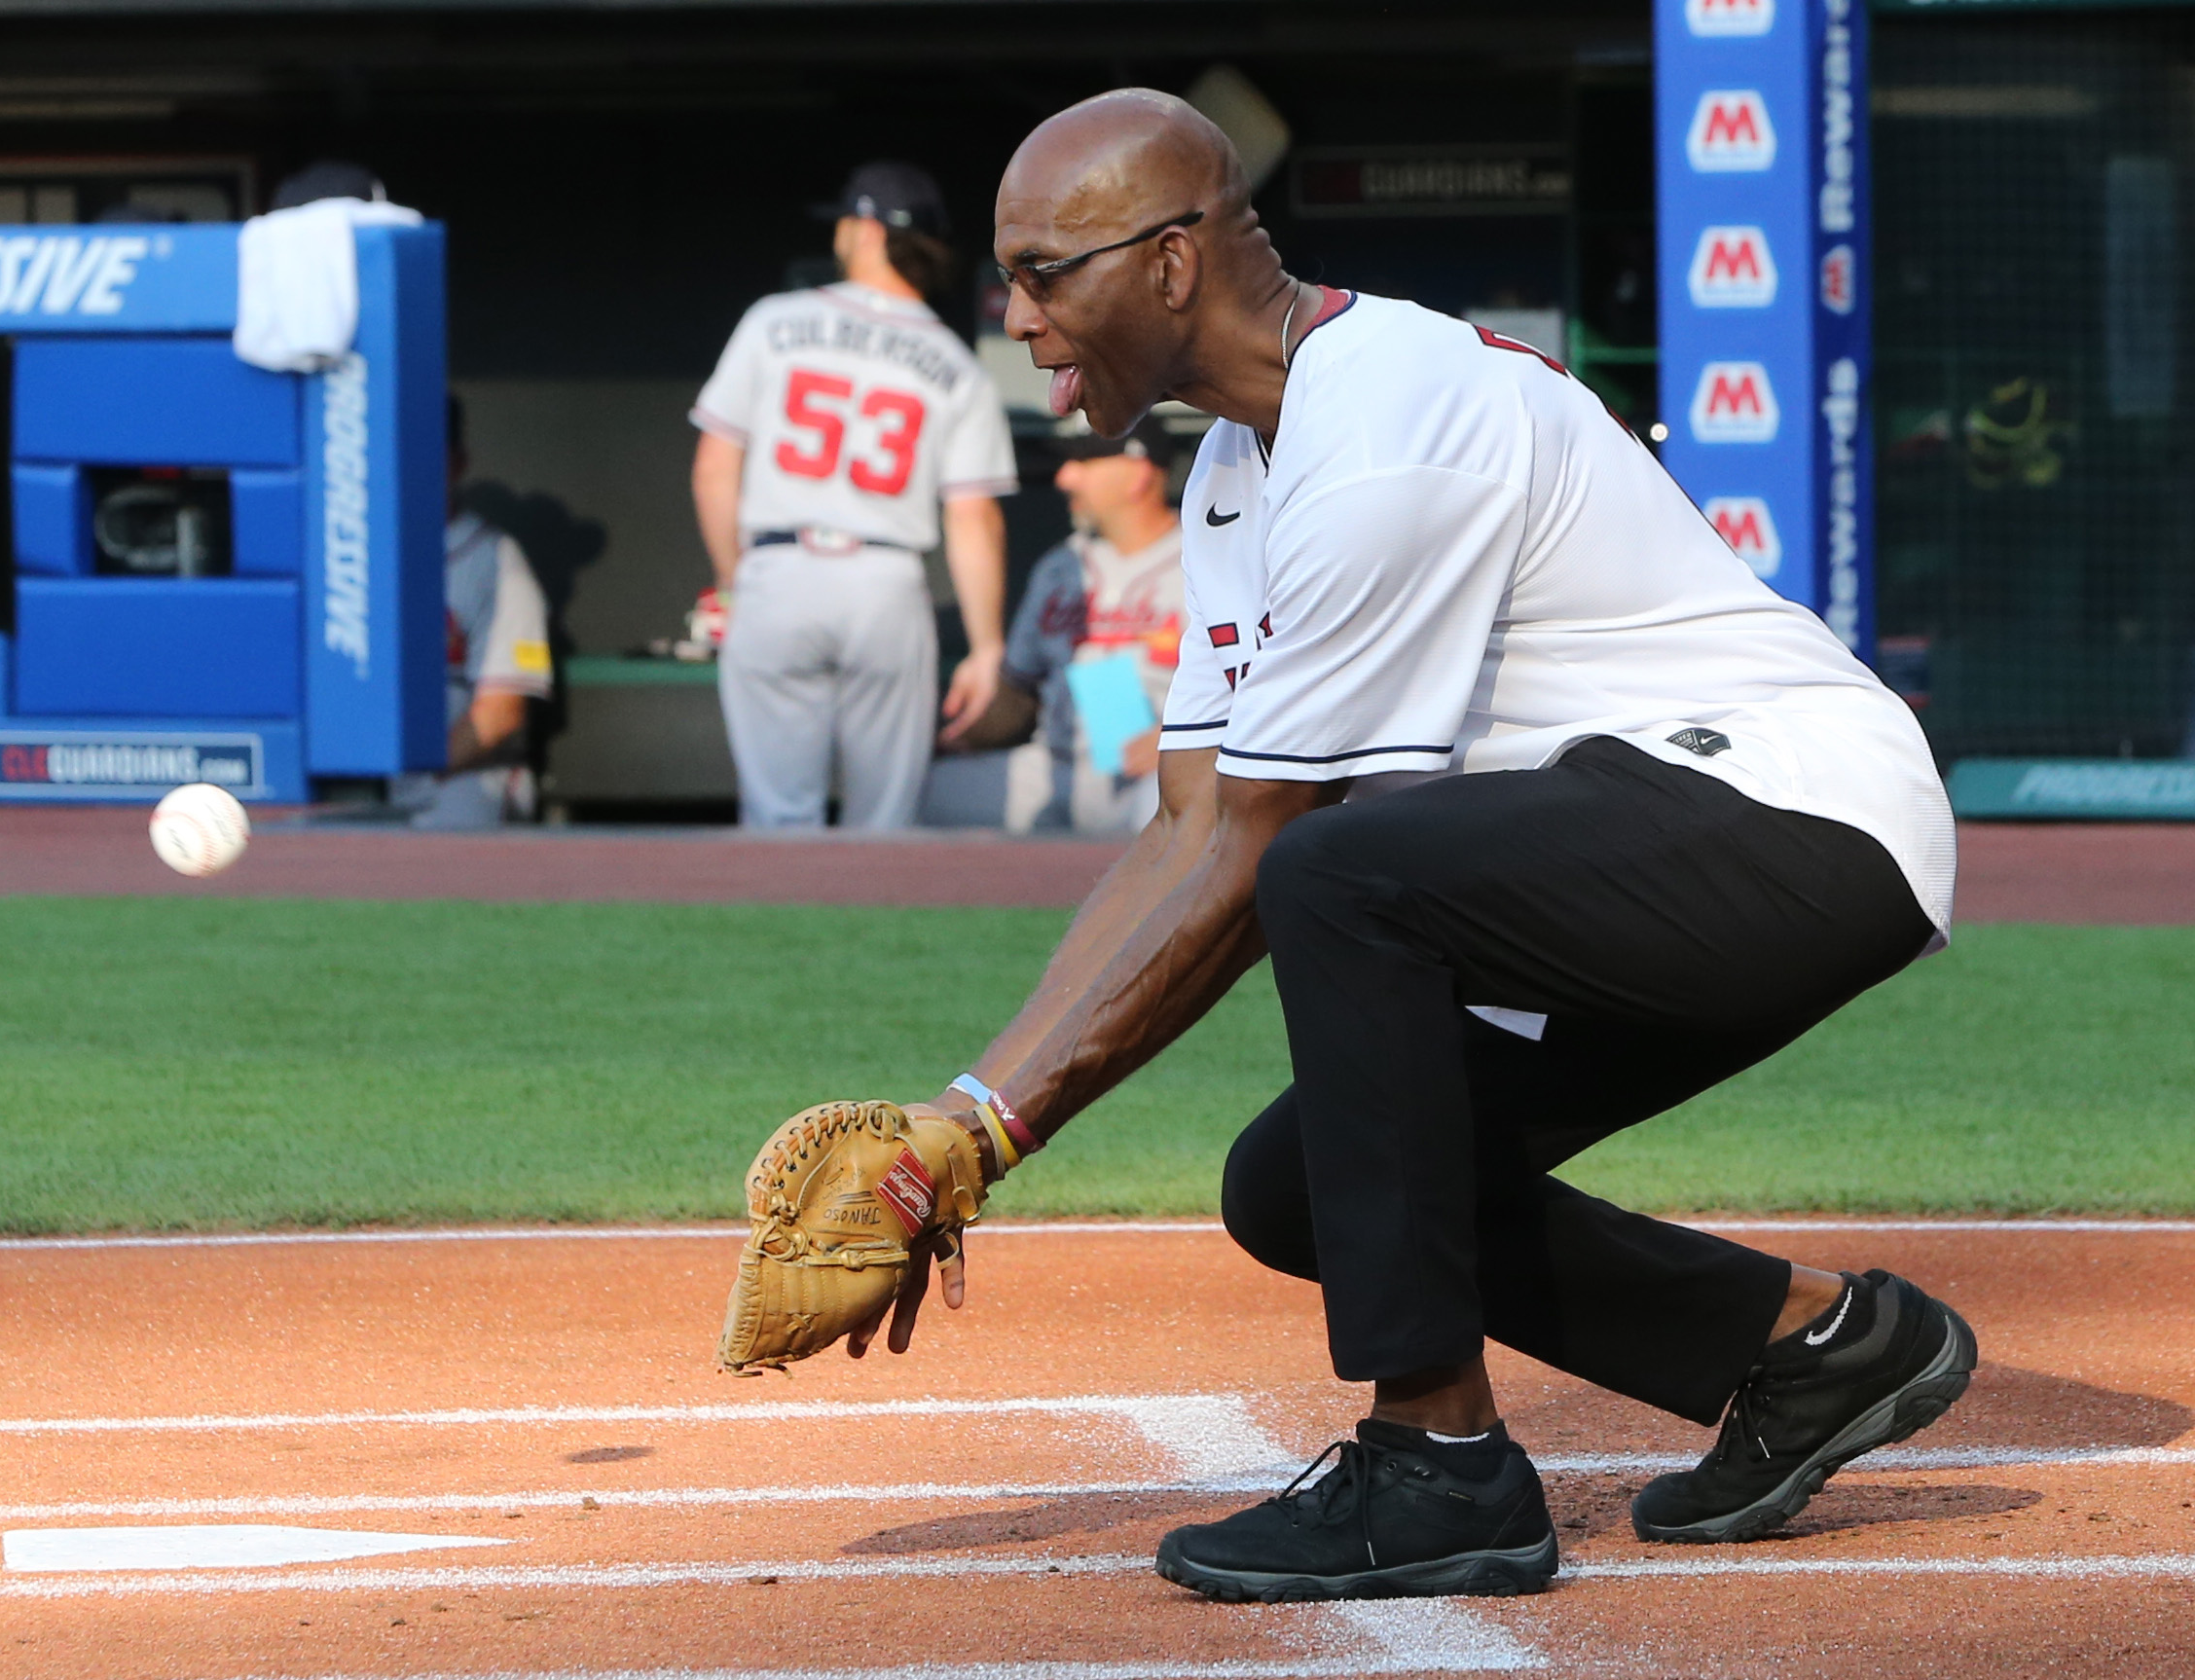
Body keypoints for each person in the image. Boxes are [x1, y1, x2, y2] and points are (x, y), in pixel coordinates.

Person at [855, 91, 1976, 1600]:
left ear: (1172, 261)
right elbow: (1188, 822)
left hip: (1795, 814)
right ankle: (1813, 1345)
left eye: (1044, 270)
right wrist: (964, 1113)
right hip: (1648, 832)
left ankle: (1438, 1461)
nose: (1016, 313)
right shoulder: (1242, 469)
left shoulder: (1380, 423)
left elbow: (1268, 845)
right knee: (1301, 1182)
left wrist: (987, 1138)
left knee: (1335, 870)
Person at [690, 162, 1017, 829]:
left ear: (867, 231)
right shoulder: (955, 362)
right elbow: (973, 516)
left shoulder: (774, 320)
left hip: (780, 569)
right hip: (884, 579)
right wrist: (987, 647)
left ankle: (782, 933)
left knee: (780, 821)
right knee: (884, 827)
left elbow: (714, 469)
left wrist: (733, 580)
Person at [962, 414, 1184, 833]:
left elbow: (1258, 682)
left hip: (1153, 772)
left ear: (1137, 473)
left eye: (1084, 462)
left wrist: (1191, 741)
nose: (1065, 478)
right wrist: (963, 725)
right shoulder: (1061, 565)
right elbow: (1019, 687)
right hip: (1053, 764)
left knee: (1170, 806)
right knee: (929, 790)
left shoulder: (1207, 558)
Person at [390, 396, 553, 829]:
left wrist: (417, 776)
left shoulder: (494, 560)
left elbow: (502, 713)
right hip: (366, 775)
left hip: (461, 771)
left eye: (426, 453)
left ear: (457, 464)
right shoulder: (350, 554)